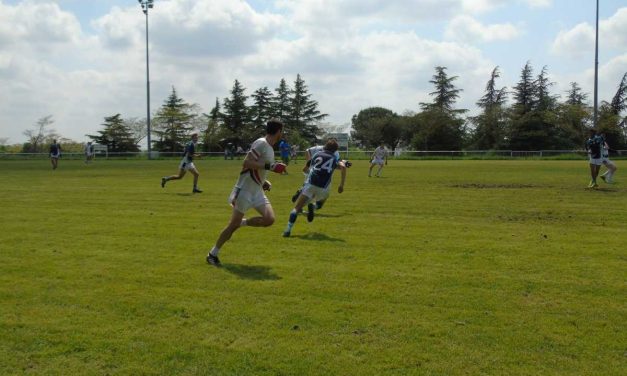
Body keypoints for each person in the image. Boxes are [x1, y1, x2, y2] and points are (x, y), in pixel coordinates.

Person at [207, 120, 287, 266]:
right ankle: (212, 254)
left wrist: (264, 182)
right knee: (232, 226)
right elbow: (246, 163)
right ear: (278, 131)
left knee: (269, 219)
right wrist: (272, 166)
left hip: (256, 190)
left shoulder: (269, 147)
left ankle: (241, 223)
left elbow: (258, 168)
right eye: (282, 131)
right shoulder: (261, 143)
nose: (282, 134)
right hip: (244, 191)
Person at [283, 138, 347, 237]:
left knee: (296, 208)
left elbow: (306, 168)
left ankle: (287, 230)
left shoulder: (316, 155)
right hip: (324, 187)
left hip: (310, 184)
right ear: (335, 150)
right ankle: (313, 206)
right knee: (321, 202)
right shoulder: (334, 158)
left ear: (325, 146)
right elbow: (342, 167)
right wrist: (341, 184)